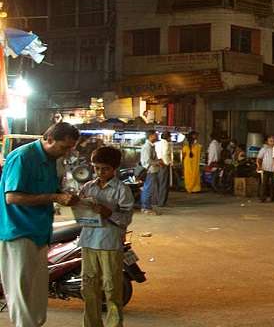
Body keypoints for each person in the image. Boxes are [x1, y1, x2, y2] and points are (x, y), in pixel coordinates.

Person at [0, 122, 80, 327]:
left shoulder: (52, 160)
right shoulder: (22, 157)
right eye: (63, 147)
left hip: (40, 230)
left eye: (69, 149)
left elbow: (53, 191)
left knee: (37, 289)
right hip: (18, 230)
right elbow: (12, 197)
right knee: (21, 289)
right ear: (49, 139)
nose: (65, 153)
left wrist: (64, 196)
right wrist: (55, 196)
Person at [78, 147, 134, 327]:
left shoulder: (122, 190)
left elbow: (126, 218)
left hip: (109, 243)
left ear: (114, 168)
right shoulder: (87, 187)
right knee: (89, 288)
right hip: (88, 241)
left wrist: (107, 212)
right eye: (96, 168)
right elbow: (80, 213)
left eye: (105, 169)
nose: (100, 172)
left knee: (111, 289)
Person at [140, 130, 162, 215]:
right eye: (155, 135)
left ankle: (147, 206)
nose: (157, 136)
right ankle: (146, 207)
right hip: (150, 171)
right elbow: (147, 160)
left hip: (152, 170)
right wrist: (158, 162)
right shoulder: (147, 147)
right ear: (151, 136)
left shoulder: (151, 146)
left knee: (149, 189)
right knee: (147, 189)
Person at [256, 135, 274, 202]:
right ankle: (262, 198)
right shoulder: (264, 149)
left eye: (273, 141)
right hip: (265, 168)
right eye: (270, 141)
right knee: (264, 184)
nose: (272, 142)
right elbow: (259, 158)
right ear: (267, 141)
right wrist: (258, 166)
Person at [155, 131, 173, 207]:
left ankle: (158, 201)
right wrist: (168, 162)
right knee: (164, 184)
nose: (170, 138)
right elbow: (165, 154)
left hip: (158, 164)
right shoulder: (166, 143)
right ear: (167, 137)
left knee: (159, 183)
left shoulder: (157, 143)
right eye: (170, 137)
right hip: (164, 165)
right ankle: (162, 202)